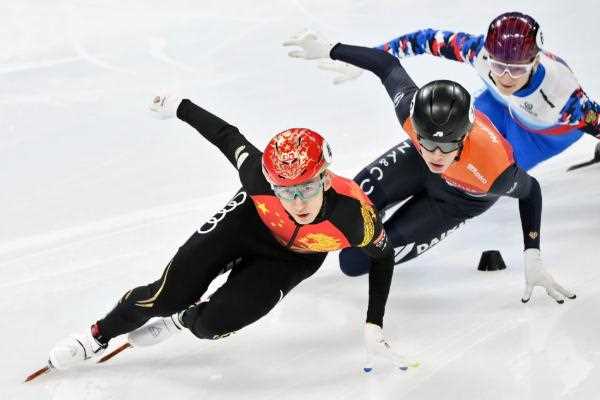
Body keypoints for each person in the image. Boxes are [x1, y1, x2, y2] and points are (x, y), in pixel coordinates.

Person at [45, 95, 405, 374]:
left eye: (307, 188)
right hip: (246, 223)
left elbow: (382, 256)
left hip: (292, 260)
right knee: (166, 295)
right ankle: (98, 335)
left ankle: (182, 319)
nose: (298, 202)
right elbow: (226, 136)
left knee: (211, 326)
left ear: (325, 179)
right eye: (285, 190)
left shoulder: (355, 218)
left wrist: (374, 322)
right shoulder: (257, 177)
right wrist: (179, 106)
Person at [283, 31, 576, 304]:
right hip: (415, 163)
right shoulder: (410, 113)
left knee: (353, 261)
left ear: (463, 139)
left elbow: (530, 190)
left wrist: (532, 253)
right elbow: (386, 65)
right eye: (427, 142)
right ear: (415, 128)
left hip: (458, 200)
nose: (436, 155)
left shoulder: (493, 168)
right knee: (338, 206)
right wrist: (333, 49)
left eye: (447, 146)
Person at [312, 12, 600, 171]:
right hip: (498, 106)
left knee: (485, 172)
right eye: (499, 66)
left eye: (517, 70)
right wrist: (370, 58)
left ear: (536, 61)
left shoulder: (565, 99)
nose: (506, 77)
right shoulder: (478, 52)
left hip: (542, 135)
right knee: (446, 142)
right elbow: (422, 40)